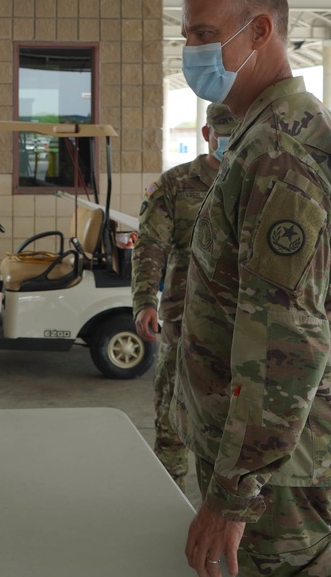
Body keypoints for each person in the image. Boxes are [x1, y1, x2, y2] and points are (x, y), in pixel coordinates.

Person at [173, 0, 331, 576]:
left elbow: (285, 340)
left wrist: (235, 494)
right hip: (261, 456)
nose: (190, 51)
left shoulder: (284, 153)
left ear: (259, 31)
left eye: (202, 33)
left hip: (275, 471)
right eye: (185, 37)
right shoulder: (260, 138)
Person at [133, 103, 238, 492]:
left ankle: (220, 508)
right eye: (221, 133)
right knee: (172, 412)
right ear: (207, 133)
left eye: (235, 132)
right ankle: (169, 495)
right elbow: (150, 246)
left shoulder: (256, 182)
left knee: (229, 422)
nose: (227, 141)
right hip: (183, 319)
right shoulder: (175, 185)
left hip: (238, 324)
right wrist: (145, 300)